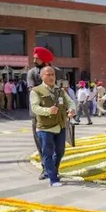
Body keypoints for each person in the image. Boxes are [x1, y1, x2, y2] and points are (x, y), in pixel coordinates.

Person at [30, 66, 76, 187]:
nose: (51, 77)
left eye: (53, 75)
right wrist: (48, 110)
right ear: (42, 76)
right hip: (45, 127)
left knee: (60, 151)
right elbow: (35, 108)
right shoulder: (36, 91)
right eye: (48, 75)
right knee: (47, 153)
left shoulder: (59, 90)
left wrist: (72, 110)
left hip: (60, 125)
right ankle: (53, 178)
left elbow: (70, 102)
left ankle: (52, 171)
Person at [27, 47, 60, 180]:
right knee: (41, 142)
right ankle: (45, 168)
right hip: (38, 113)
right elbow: (33, 90)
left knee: (57, 142)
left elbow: (63, 90)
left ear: (44, 60)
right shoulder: (31, 73)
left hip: (56, 113)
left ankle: (54, 168)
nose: (34, 60)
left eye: (37, 58)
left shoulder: (57, 72)